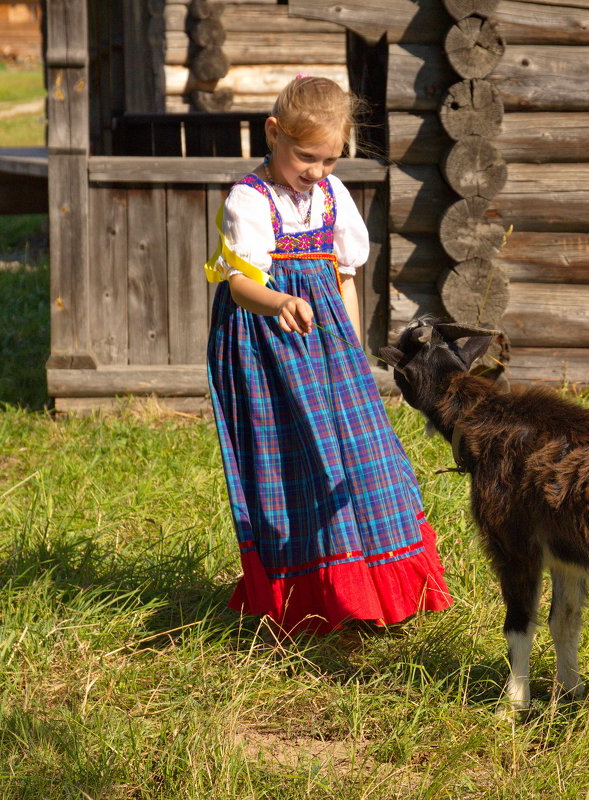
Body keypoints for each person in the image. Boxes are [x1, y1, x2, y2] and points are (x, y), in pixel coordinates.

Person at [204, 76, 453, 635]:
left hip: (327, 343)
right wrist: (279, 301)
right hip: (266, 347)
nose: (317, 171)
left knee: (366, 456)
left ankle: (371, 584)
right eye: (305, 157)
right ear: (273, 133)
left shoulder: (331, 197)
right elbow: (238, 286)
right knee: (297, 461)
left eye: (330, 161)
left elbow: (344, 276)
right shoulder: (250, 200)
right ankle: (311, 596)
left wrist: (348, 342)